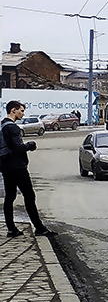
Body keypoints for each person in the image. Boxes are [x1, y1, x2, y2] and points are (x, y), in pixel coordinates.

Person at [1, 101, 55, 237]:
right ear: (13, 110)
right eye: (21, 110)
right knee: (29, 196)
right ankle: (39, 228)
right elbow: (17, 148)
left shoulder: (2, 126)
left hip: (5, 165)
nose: (23, 113)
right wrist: (30, 145)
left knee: (10, 196)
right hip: (17, 167)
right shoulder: (13, 128)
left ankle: (11, 229)